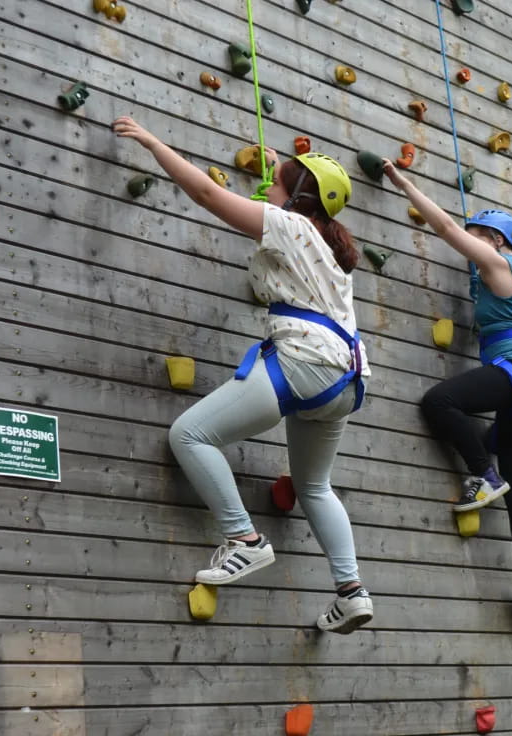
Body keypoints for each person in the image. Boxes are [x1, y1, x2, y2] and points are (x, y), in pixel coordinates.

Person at [112, 116, 373, 633]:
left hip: (303, 363)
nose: (266, 185)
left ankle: (244, 540)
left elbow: (210, 195)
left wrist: (151, 140)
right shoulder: (328, 251)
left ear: (298, 196)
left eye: (276, 181)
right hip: (346, 381)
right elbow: (282, 221)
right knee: (314, 485)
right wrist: (281, 169)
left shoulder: (291, 226)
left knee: (190, 434)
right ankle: (351, 591)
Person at [380, 158, 512, 607]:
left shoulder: (500, 265)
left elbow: (442, 228)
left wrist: (403, 182)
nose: (471, 248)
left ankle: (482, 475)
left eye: (477, 239)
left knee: (439, 402)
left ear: (495, 241)